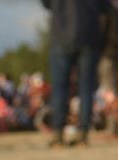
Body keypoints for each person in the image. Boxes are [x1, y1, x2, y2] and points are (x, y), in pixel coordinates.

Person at [41, 0, 109, 147]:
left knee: (59, 90)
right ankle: (83, 134)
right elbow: (105, 7)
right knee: (86, 89)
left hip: (61, 36)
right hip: (88, 36)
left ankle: (58, 134)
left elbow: (46, 4)